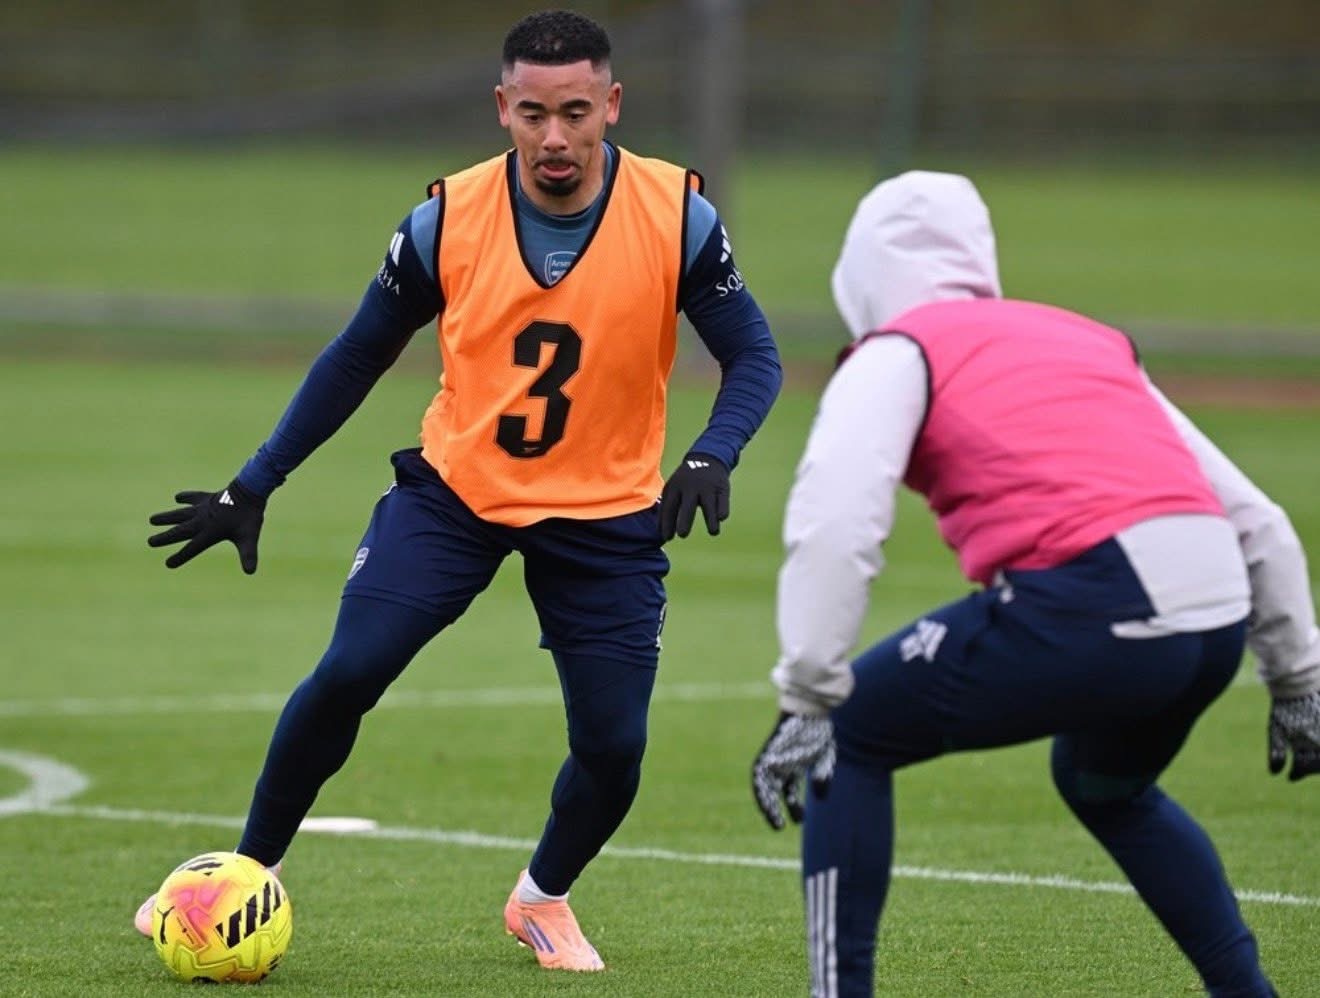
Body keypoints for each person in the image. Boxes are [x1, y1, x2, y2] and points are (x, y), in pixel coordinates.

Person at [139, 9, 781, 973]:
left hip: (606, 513)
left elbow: (755, 357)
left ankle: (542, 899)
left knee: (614, 747)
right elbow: (358, 353)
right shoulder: (446, 217)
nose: (554, 137)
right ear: (502, 108)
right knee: (350, 670)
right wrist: (254, 483)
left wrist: (712, 454)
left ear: (612, 104)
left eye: (574, 111)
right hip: (455, 494)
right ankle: (233, 878)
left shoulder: (676, 214)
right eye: (532, 113)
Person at [749, 170, 1319, 997]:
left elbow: (836, 520)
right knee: (1105, 784)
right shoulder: (1084, 336)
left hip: (1103, 601)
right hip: (1215, 614)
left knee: (847, 734)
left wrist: (808, 693)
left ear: (861, 274)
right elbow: (1256, 519)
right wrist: (1297, 679)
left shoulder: (900, 349)